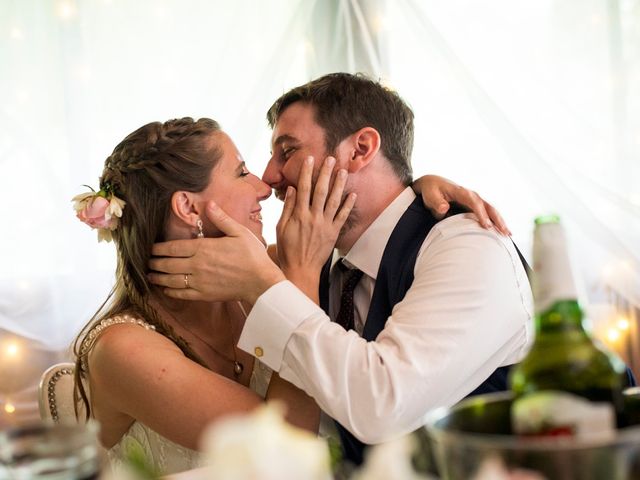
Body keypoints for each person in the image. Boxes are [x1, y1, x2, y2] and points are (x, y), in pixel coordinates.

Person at [72, 115, 502, 475]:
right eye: (241, 172)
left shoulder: (261, 273)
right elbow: (285, 453)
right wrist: (300, 274)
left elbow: (366, 225)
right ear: (189, 208)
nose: (263, 186)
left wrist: (415, 189)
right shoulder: (123, 350)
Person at [148, 73, 534, 465]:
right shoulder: (315, 256)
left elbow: (382, 405)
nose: (269, 177)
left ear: (361, 148)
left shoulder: (469, 246)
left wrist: (268, 289)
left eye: (288, 151)